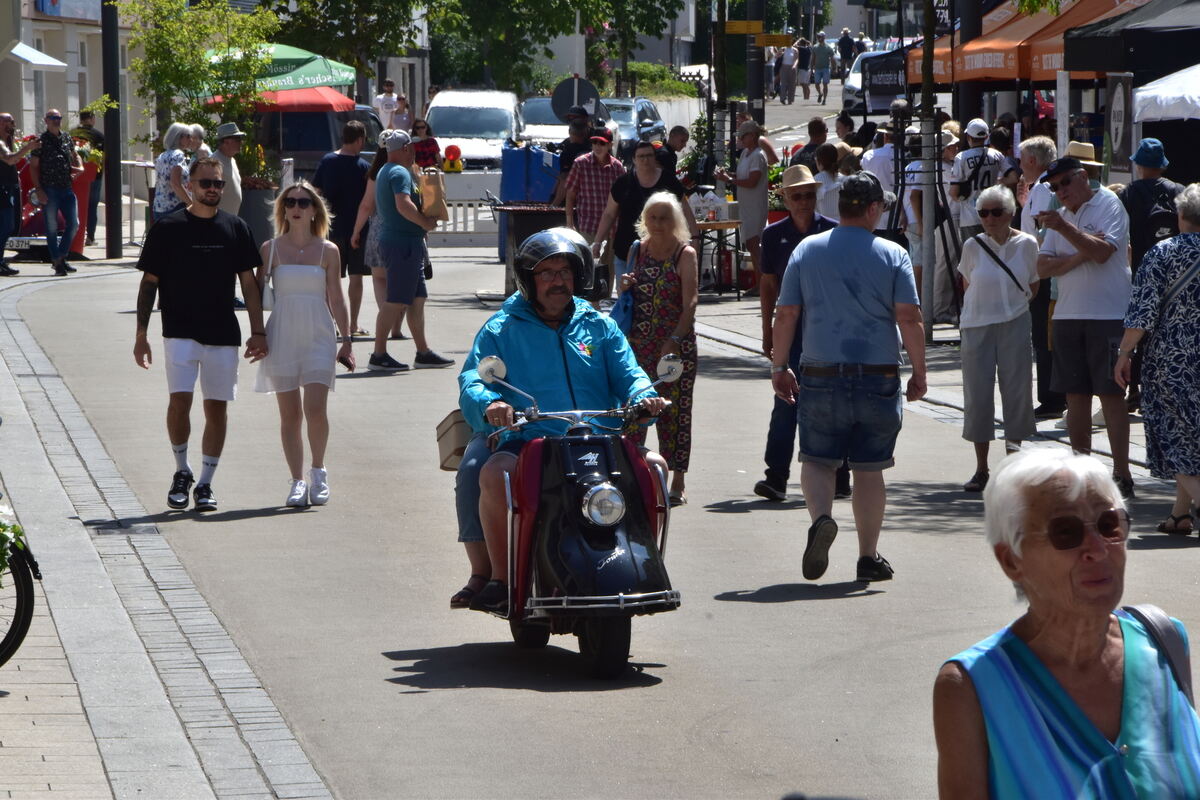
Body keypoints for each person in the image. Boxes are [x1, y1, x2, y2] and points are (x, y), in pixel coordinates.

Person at [933, 448, 1200, 798]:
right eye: (1065, 532)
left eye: (1109, 525)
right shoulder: (971, 687)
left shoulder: (1163, 640)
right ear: (1011, 559)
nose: (1098, 549)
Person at [459, 228, 669, 612]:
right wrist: (491, 403)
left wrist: (643, 395)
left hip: (598, 438)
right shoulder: (502, 328)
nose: (558, 281)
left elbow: (629, 372)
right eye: (546, 272)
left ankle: (645, 559)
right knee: (492, 474)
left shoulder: (599, 325)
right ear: (528, 279)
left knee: (655, 467)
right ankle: (501, 579)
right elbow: (473, 377)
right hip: (531, 438)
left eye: (565, 272)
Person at [770, 172, 926, 583]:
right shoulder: (893, 254)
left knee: (817, 460)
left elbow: (786, 313)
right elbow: (909, 317)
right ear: (873, 208)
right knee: (869, 469)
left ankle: (822, 518)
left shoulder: (807, 249)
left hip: (821, 372)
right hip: (878, 375)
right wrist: (920, 373)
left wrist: (778, 365)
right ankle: (867, 555)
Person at [133, 158, 267, 512]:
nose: (212, 189)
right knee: (180, 402)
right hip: (179, 331)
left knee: (216, 408)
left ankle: (205, 483)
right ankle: (182, 471)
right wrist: (141, 333)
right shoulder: (167, 227)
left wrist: (258, 331)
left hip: (222, 333)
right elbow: (149, 285)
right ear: (189, 184)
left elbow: (250, 285)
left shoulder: (236, 227)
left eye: (218, 184)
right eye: (205, 182)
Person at [1036, 156, 1135, 498]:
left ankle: (1122, 473)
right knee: (1075, 396)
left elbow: (1104, 252)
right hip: (1067, 315)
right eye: (1054, 187)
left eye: (1065, 182)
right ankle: (1083, 472)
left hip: (1107, 312)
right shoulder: (1061, 217)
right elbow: (1043, 267)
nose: (1060, 191)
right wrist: (1079, 252)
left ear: (1082, 177)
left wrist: (1068, 236)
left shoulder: (1108, 202)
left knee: (1110, 394)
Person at [255, 182, 354, 507]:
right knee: (290, 415)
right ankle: (297, 480)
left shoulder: (328, 251)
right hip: (282, 333)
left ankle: (318, 470)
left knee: (315, 409)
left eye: (304, 202)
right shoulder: (270, 249)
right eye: (290, 202)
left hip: (318, 335)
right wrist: (256, 334)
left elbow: (336, 298)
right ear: (283, 209)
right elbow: (255, 296)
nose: (296, 207)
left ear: (314, 210)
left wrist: (347, 339)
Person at [753, 165, 841, 503]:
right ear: (785, 199)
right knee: (785, 402)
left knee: (831, 403)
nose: (803, 201)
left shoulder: (832, 232)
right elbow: (767, 286)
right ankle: (776, 476)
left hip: (828, 330)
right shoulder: (773, 235)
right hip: (790, 329)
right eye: (796, 196)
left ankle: (840, 471)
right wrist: (767, 333)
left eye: (808, 194)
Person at [1116, 183, 1200, 535]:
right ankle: (1180, 515)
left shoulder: (1162, 253)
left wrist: (1124, 353)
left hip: (1170, 360)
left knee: (1173, 435)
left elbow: (1143, 313)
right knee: (1193, 435)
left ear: (1181, 216)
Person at [957, 186, 1039, 492]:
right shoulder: (972, 246)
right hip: (977, 324)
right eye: (983, 213)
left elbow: (1033, 284)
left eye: (996, 212)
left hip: (1015, 322)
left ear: (1010, 213)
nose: (989, 219)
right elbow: (967, 283)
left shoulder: (1028, 243)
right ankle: (981, 468)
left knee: (1016, 392)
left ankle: (1013, 467)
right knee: (977, 395)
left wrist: (1012, 309)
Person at [619, 192, 698, 505]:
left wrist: (675, 339)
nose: (658, 223)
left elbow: (691, 301)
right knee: (636, 410)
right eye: (653, 217)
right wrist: (624, 284)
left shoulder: (685, 253)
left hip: (675, 348)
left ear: (675, 221)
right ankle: (634, 472)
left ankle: (676, 477)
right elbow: (626, 295)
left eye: (665, 217)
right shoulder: (638, 249)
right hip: (638, 344)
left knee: (675, 413)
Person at [369, 129, 454, 371]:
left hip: (406, 243)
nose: (415, 151)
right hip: (401, 244)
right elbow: (403, 205)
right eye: (412, 147)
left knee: (417, 299)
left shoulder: (390, 170)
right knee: (395, 301)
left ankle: (423, 351)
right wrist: (425, 223)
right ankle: (378, 354)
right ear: (405, 148)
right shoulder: (398, 172)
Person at [1116, 137, 1185, 413]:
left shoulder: (1128, 193)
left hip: (1140, 270)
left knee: (1138, 327)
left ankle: (1134, 389)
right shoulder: (1178, 190)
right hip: (1176, 271)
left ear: (1139, 164)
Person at [591, 141, 697, 282]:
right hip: (625, 251)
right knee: (626, 298)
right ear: (634, 159)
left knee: (656, 297)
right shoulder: (623, 183)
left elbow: (685, 211)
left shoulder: (669, 181)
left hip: (662, 253)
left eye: (649, 155)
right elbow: (609, 214)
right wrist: (597, 242)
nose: (645, 160)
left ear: (655, 158)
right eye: (641, 156)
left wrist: (695, 238)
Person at [1016, 135, 1063, 420]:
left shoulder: (1045, 188)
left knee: (1045, 337)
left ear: (1032, 160)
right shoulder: (1039, 188)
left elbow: (1040, 233)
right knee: (1042, 335)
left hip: (1042, 271)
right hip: (1038, 269)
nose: (1020, 165)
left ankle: (1051, 397)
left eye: (1022, 160)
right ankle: (1051, 395)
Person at [312, 121, 372, 337]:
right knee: (356, 277)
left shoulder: (327, 161)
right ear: (359, 140)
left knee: (331, 279)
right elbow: (369, 201)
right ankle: (353, 324)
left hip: (331, 229)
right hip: (358, 228)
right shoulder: (364, 167)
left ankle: (332, 323)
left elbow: (315, 191)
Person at [350, 148, 406, 343]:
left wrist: (356, 231)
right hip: (401, 230)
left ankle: (386, 320)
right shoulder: (405, 171)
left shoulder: (375, 175)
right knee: (401, 281)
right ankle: (396, 327)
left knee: (380, 280)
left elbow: (366, 205)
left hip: (377, 231)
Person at [565, 127, 625, 291]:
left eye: (602, 143)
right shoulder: (580, 164)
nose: (597, 146)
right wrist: (570, 224)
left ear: (610, 145)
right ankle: (587, 305)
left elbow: (623, 200)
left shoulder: (618, 168)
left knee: (607, 272)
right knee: (586, 270)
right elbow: (570, 195)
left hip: (613, 229)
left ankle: (602, 305)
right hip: (588, 227)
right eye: (594, 142)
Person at [715, 121, 768, 290]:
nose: (740, 140)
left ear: (752, 136)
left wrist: (729, 180)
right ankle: (759, 283)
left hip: (756, 205)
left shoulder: (758, 155)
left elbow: (753, 181)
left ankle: (762, 284)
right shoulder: (746, 153)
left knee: (754, 245)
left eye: (743, 136)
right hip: (746, 205)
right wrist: (728, 175)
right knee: (751, 245)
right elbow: (741, 175)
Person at [30, 108, 84, 275]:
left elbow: (75, 154)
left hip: (66, 187)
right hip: (50, 189)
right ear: (46, 120)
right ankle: (57, 261)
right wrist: (39, 190)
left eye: (59, 117)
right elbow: (33, 166)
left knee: (74, 224)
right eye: (53, 118)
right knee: (51, 227)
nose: (56, 120)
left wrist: (80, 166)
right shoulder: (41, 140)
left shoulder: (66, 137)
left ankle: (61, 256)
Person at [950, 119, 1005, 245]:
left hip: (970, 217)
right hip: (995, 215)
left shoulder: (961, 157)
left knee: (973, 258)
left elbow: (954, 192)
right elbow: (1013, 177)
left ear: (969, 137)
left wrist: (963, 198)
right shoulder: (997, 155)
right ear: (986, 136)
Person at [0, 113, 37, 277]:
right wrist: (28, 148)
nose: (11, 124)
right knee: (5, 225)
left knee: (9, 226)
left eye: (12, 121)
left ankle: (1, 261)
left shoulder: (8, 141)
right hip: (2, 189)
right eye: (8, 121)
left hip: (9, 187)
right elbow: (10, 159)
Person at [70, 110, 104, 246]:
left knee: (74, 205)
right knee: (91, 206)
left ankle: (73, 235)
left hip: (74, 175)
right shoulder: (98, 136)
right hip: (93, 176)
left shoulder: (72, 134)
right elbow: (103, 156)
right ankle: (90, 237)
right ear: (91, 118)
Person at [153, 122, 194, 223]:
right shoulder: (178, 155)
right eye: (188, 136)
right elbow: (175, 183)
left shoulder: (162, 155)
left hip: (159, 207)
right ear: (179, 137)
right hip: (175, 207)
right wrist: (191, 204)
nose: (191, 139)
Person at [550, 118, 592, 205]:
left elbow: (565, 180)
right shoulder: (591, 150)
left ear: (569, 131)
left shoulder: (568, 152)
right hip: (589, 199)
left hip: (571, 200)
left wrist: (554, 204)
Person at [209, 122, 246, 217]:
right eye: (237, 139)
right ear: (226, 141)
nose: (241, 142)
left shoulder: (232, 160)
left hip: (231, 218)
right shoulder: (213, 162)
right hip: (217, 221)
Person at [813, 143, 846, 223]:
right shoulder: (846, 179)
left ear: (818, 161)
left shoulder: (815, 181)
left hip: (824, 226)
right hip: (845, 225)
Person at [859, 125, 896, 195]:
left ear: (886, 136)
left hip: (874, 200)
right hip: (898, 201)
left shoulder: (868, 155)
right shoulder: (905, 156)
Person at [811, 32, 836, 105]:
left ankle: (824, 99)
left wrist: (834, 68)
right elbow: (813, 58)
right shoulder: (815, 47)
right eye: (818, 37)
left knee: (825, 84)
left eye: (820, 37)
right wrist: (811, 67)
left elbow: (832, 58)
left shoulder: (828, 48)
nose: (819, 38)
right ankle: (820, 93)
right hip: (817, 68)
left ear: (824, 37)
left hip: (825, 68)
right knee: (816, 83)